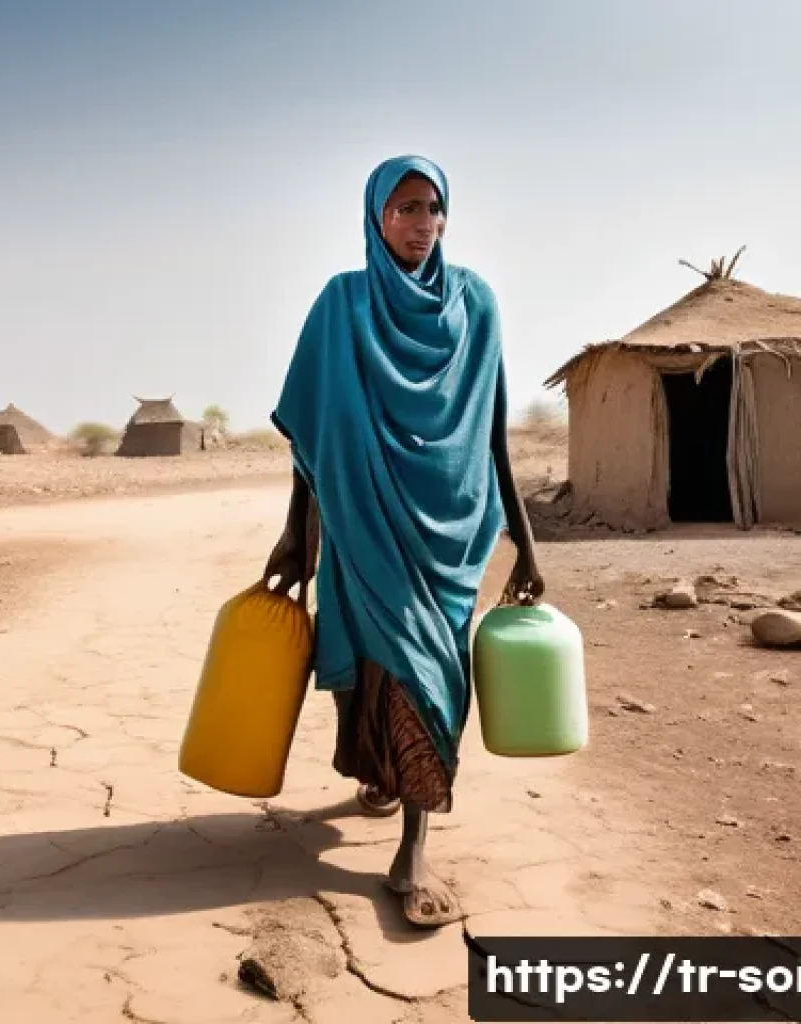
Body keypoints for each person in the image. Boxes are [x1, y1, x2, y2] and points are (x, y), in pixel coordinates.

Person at [263, 155, 543, 928]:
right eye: (406, 209)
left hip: (450, 530)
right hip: (362, 520)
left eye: (434, 209)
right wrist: (298, 536)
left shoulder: (476, 303)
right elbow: (313, 436)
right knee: (371, 658)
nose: (423, 225)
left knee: (431, 674)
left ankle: (414, 849)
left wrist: (527, 539)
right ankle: (382, 778)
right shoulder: (341, 304)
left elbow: (492, 428)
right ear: (376, 217)